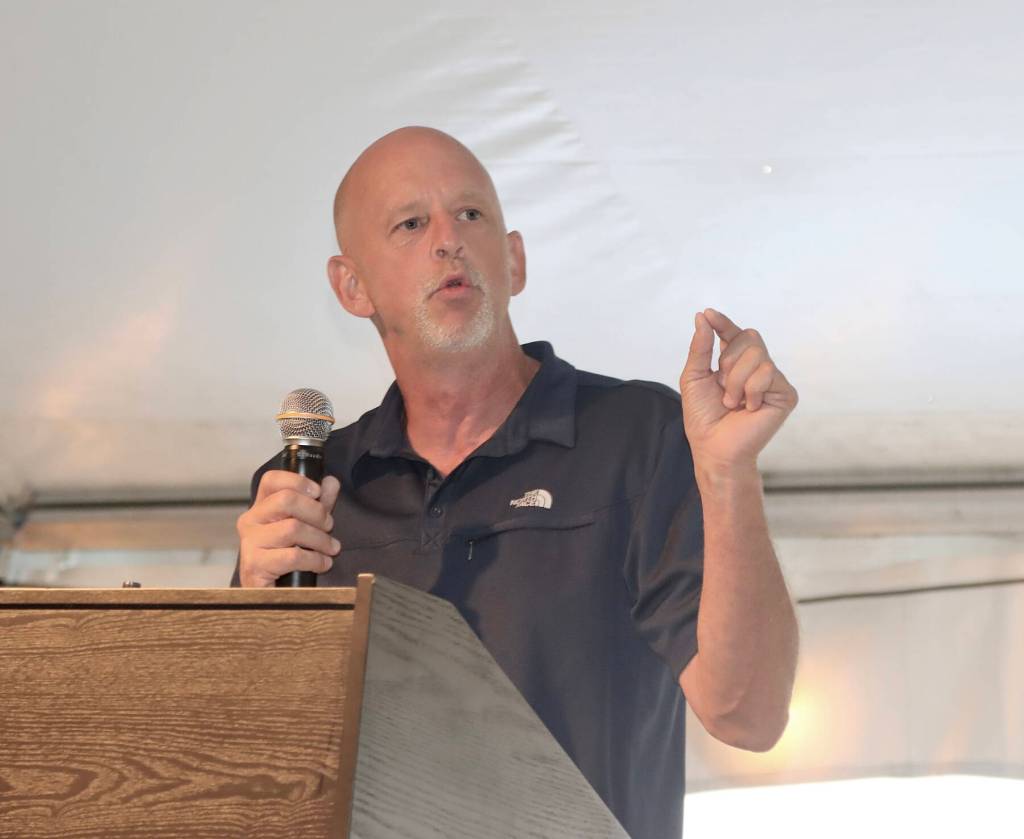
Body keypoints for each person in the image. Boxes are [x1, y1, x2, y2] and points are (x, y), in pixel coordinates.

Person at [233, 126, 799, 838]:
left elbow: (747, 713)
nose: (449, 240)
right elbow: (251, 772)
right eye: (412, 223)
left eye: (471, 215)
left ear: (515, 258)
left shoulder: (640, 434)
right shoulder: (309, 488)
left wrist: (729, 472)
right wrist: (252, 616)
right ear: (352, 285)